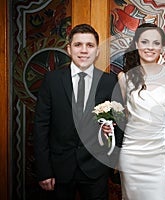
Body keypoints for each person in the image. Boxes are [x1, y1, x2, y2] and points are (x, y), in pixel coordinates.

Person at [34, 23, 124, 200]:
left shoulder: (109, 82)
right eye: (78, 45)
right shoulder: (52, 80)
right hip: (58, 169)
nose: (84, 50)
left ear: (97, 51)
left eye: (89, 45)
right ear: (69, 49)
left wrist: (111, 157)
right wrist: (44, 170)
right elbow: (40, 127)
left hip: (96, 169)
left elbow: (119, 124)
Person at [114, 23, 165, 200]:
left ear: (162, 47)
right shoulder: (124, 78)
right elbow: (122, 118)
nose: (150, 47)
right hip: (132, 155)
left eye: (156, 43)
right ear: (136, 44)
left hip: (161, 156)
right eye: (144, 42)